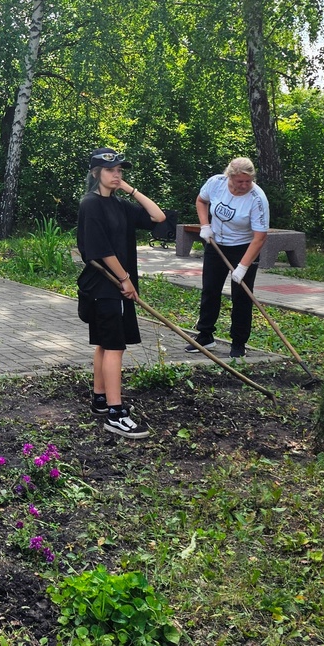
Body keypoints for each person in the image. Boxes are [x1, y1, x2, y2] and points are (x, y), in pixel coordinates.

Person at [76, 146, 166, 439]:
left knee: (105, 343)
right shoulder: (90, 204)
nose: (116, 175)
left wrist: (129, 189)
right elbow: (100, 249)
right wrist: (125, 278)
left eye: (119, 171)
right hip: (104, 286)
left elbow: (158, 217)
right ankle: (116, 413)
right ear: (95, 173)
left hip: (116, 286)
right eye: (110, 171)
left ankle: (100, 398)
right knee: (115, 346)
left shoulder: (119, 204)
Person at [186, 157, 269, 359]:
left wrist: (242, 266)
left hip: (244, 248)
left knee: (242, 297)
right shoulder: (216, 183)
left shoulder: (257, 199)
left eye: (248, 181)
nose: (244, 185)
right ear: (229, 177)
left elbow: (260, 237)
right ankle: (205, 335)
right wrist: (205, 225)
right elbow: (201, 200)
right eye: (239, 181)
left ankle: (238, 342)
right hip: (216, 244)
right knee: (210, 290)